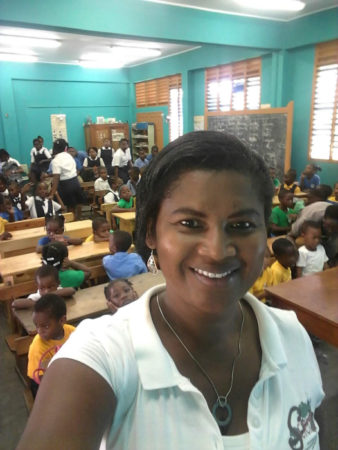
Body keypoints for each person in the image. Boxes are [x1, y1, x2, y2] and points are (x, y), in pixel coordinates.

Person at [17, 131, 324, 449]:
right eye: (190, 223)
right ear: (150, 232)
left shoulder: (293, 337)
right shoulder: (102, 356)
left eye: (243, 225)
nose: (217, 251)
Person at [27, 293, 76, 398]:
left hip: (67, 377)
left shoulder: (72, 332)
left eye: (46, 326)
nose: (39, 331)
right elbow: (39, 379)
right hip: (44, 386)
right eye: (36, 325)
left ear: (62, 320)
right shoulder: (38, 347)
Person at [48, 139, 84, 221]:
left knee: (66, 207)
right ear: (65, 148)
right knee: (77, 204)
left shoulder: (55, 160)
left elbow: (56, 177)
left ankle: (70, 223)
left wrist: (52, 193)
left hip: (65, 184)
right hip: (75, 182)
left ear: (54, 149)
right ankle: (77, 220)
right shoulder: (69, 156)